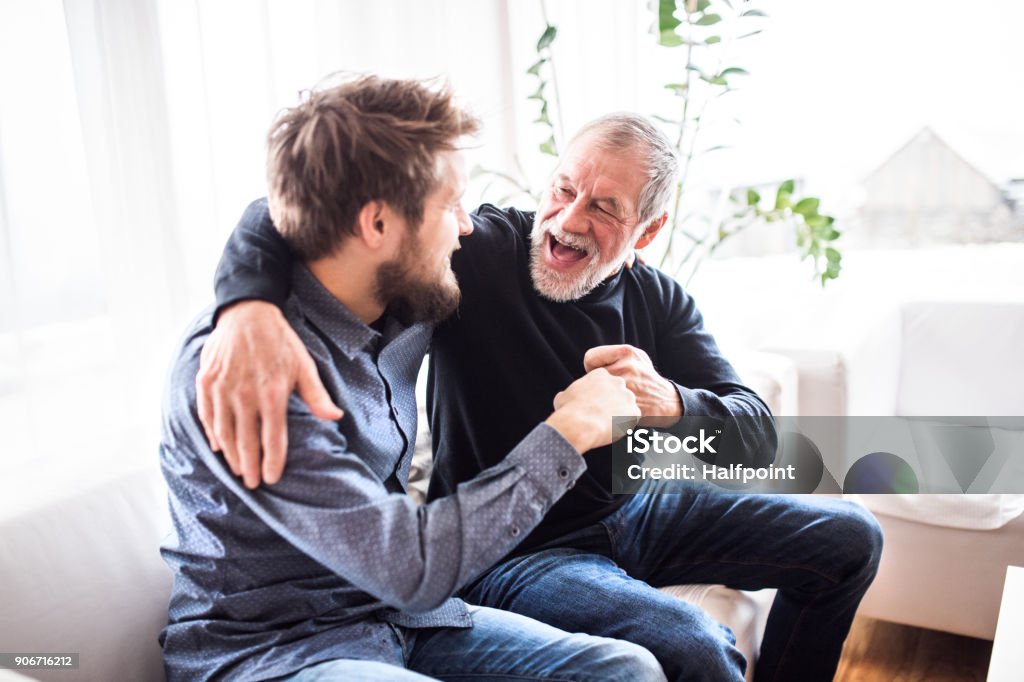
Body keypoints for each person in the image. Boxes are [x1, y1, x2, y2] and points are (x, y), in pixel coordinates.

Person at [200, 109, 884, 681]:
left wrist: (667, 400)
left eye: (604, 208)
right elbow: (287, 208)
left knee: (852, 537)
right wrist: (246, 306)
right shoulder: (480, 251)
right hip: (518, 551)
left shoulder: (658, 300)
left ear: (647, 233)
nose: (569, 219)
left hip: (636, 510)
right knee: (691, 644)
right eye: (565, 189)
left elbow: (755, 434)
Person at [159, 74, 667, 682]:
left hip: (394, 621)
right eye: (450, 204)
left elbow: (769, 447)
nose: (467, 225)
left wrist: (671, 405)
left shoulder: (402, 301)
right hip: (279, 653)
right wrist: (570, 430)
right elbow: (411, 564)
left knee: (625, 671)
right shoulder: (254, 371)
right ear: (376, 226)